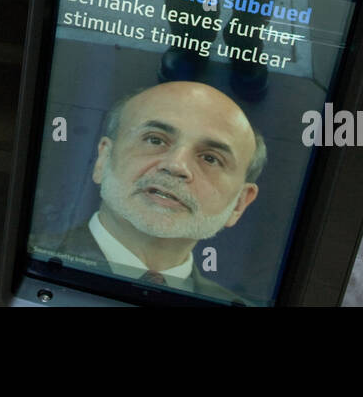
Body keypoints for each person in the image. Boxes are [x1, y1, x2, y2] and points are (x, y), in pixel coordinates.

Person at [30, 82, 264, 303]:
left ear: (239, 204)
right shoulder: (15, 260)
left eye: (210, 158)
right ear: (102, 160)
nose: (176, 166)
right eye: (155, 140)